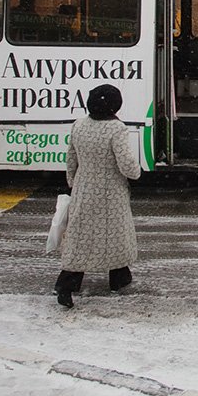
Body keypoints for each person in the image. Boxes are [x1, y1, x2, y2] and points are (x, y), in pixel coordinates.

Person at [54, 83, 142, 308]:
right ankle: (118, 279)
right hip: (112, 192)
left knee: (80, 237)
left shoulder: (79, 125)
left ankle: (67, 283)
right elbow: (126, 165)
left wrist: (75, 183)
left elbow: (70, 159)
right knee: (114, 235)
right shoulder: (116, 129)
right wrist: (137, 173)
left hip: (84, 189)